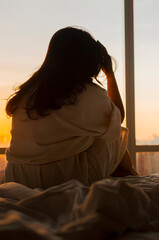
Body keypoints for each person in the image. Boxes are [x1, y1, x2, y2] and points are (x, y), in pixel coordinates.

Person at [2, 26, 138, 189]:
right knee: (115, 131)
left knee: (104, 128)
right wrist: (109, 73)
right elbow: (118, 116)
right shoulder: (83, 92)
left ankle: (127, 173)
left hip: (18, 176)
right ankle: (130, 173)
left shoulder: (29, 92)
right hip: (60, 178)